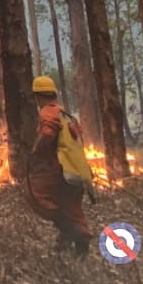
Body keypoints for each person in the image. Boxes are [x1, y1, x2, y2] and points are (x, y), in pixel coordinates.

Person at [24, 75, 92, 256]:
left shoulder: (48, 112)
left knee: (35, 195)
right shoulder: (67, 114)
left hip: (59, 171)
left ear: (38, 96)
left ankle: (71, 230)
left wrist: (36, 151)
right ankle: (80, 247)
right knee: (72, 207)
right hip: (76, 172)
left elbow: (47, 132)